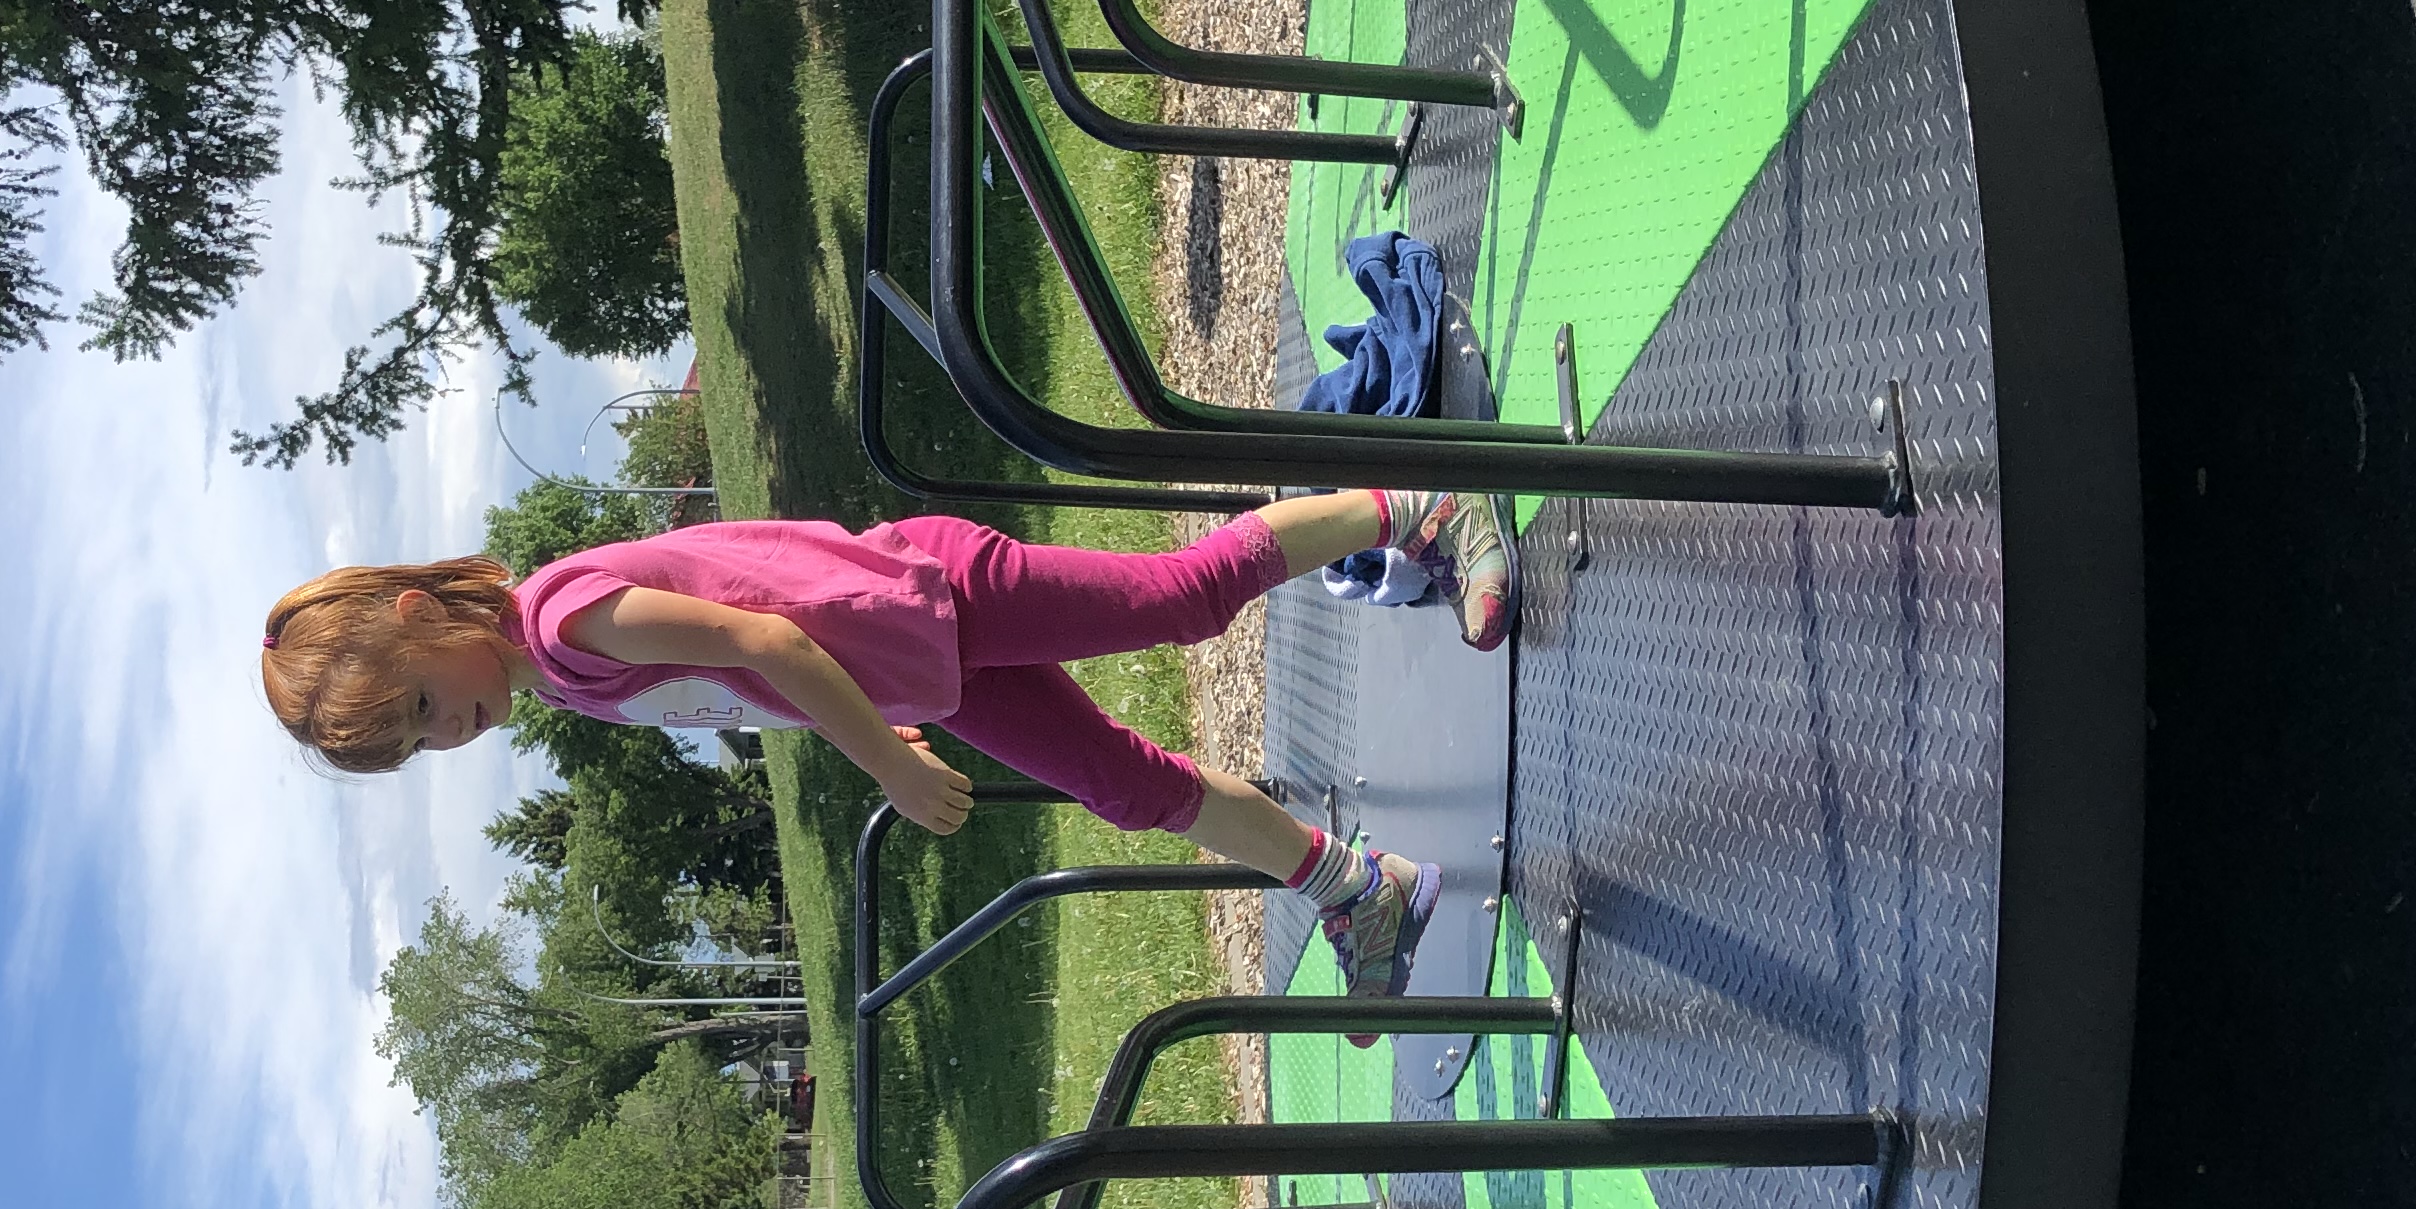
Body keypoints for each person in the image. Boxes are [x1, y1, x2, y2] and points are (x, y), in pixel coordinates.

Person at [260, 487, 1510, 1008]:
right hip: (927, 664)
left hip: (929, 598)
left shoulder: (563, 621)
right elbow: (752, 681)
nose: (450, 734)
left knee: (1177, 600)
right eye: (423, 748)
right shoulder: (565, 679)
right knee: (1129, 788)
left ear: (421, 619)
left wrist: (890, 765)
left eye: (421, 707)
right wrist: (887, 722)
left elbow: (765, 642)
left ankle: (1425, 511)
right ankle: (1359, 890)